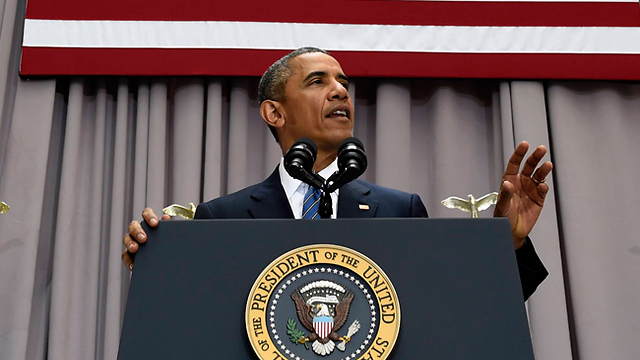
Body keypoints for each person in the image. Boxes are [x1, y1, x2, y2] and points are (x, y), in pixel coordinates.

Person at [122, 47, 552, 299]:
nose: (340, 90)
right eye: (317, 81)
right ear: (274, 112)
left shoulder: (398, 209)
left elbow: (456, 309)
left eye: (342, 81)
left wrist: (509, 244)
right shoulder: (223, 217)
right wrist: (158, 268)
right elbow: (199, 319)